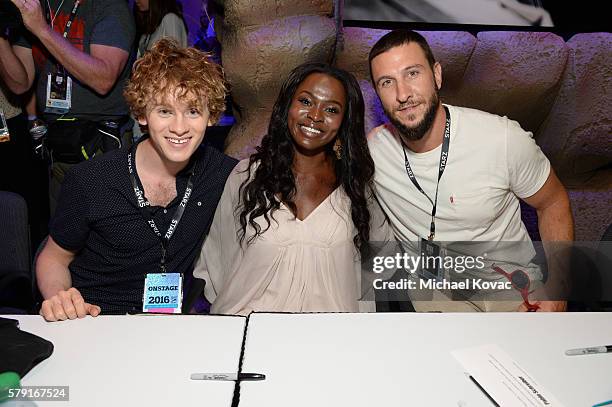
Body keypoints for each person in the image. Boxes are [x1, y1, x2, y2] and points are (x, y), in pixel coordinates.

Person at [367, 29, 573, 312]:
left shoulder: (500, 139)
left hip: (510, 290)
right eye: (387, 82)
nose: (403, 94)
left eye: (412, 74)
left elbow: (553, 202)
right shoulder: (375, 151)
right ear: (377, 92)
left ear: (436, 74)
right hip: (435, 298)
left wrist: (559, 288)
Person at [36, 39, 237, 321]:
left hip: (168, 325)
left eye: (193, 111)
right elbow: (53, 257)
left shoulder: (221, 174)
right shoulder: (91, 181)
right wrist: (60, 296)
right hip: (96, 320)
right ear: (142, 114)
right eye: (165, 111)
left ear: (211, 116)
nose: (179, 128)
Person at [193, 63, 391, 315]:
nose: (315, 115)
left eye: (331, 109)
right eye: (306, 101)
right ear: (288, 106)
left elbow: (379, 271)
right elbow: (217, 261)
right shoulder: (246, 177)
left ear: (344, 121)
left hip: (331, 341)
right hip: (251, 331)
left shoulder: (358, 188)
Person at [5, 0, 135, 214]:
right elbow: (20, 84)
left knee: (107, 236)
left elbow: (103, 79)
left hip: (102, 147)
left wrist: (41, 29)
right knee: (63, 236)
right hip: (59, 149)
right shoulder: (40, 6)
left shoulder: (109, 6)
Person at [132, 0, 188, 141]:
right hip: (148, 102)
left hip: (162, 104)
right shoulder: (151, 26)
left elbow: (175, 68)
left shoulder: (170, 20)